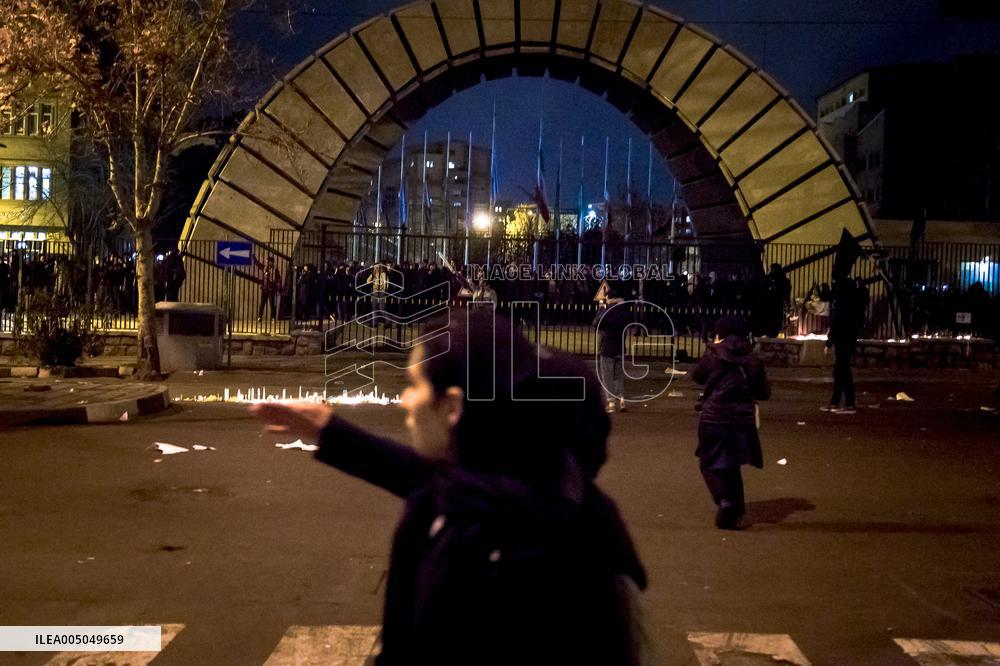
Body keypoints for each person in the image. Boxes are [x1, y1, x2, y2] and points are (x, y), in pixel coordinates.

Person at [251, 312, 647, 665]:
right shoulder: (544, 494)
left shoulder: (477, 550)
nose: (405, 401)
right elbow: (431, 479)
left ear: (453, 407)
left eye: (415, 384)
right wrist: (330, 432)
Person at [691, 315, 770, 530]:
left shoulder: (713, 354)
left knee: (708, 462)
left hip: (714, 416)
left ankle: (724, 500)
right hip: (742, 419)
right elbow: (763, 392)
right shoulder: (753, 358)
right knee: (732, 465)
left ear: (721, 333)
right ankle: (738, 512)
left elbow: (697, 376)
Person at [823, 278, 866, 414]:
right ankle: (836, 402)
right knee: (841, 371)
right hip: (849, 340)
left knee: (842, 373)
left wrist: (829, 342)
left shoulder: (843, 303)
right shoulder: (855, 302)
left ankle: (848, 403)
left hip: (842, 340)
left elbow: (837, 323)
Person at [593, 282, 631, 413]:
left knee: (607, 375)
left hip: (607, 346)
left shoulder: (608, 310)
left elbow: (596, 324)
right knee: (619, 375)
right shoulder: (624, 310)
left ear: (609, 298)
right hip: (620, 345)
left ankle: (610, 402)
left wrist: (601, 309)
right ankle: (622, 400)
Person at [258, 256, 281, 322]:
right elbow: (258, 264)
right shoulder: (265, 268)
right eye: (267, 261)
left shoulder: (275, 270)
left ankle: (273, 318)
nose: (267, 262)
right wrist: (253, 257)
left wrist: (278, 287)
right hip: (264, 289)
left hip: (271, 290)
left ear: (272, 262)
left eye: (268, 261)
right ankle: (260, 317)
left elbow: (278, 279)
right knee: (262, 304)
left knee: (272, 304)